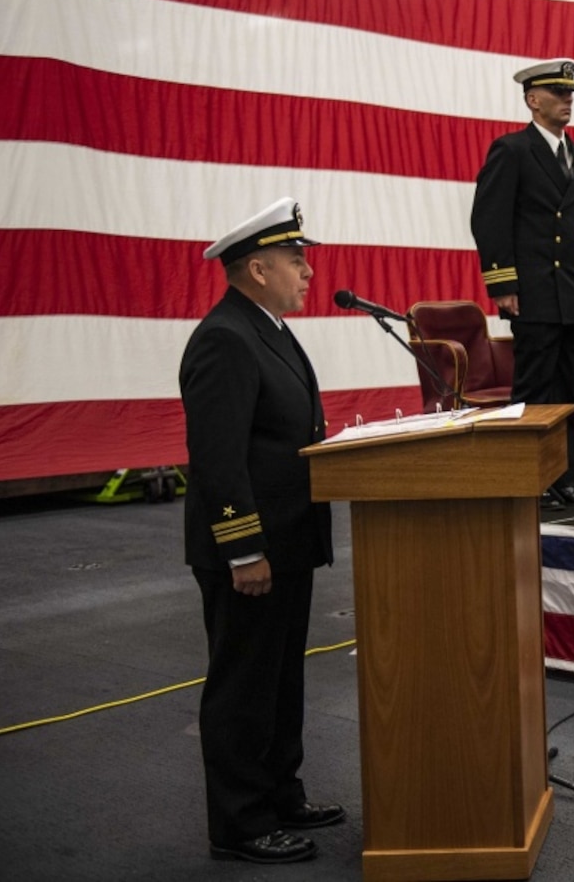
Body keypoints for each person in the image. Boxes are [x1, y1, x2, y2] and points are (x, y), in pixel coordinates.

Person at [179, 198, 343, 865]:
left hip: (288, 539)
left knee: (279, 680)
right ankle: (240, 823)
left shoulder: (265, 326)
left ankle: (279, 790)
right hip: (251, 546)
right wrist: (244, 548)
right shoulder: (225, 337)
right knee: (244, 685)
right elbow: (218, 461)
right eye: (295, 260)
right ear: (255, 268)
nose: (307, 271)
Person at [470, 57, 574, 509]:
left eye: (570, 94)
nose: (567, 101)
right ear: (533, 99)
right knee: (535, 387)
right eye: (559, 94)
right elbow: (489, 219)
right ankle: (531, 478)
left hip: (568, 289)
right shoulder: (512, 149)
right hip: (533, 289)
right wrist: (503, 284)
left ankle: (563, 477)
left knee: (567, 389)